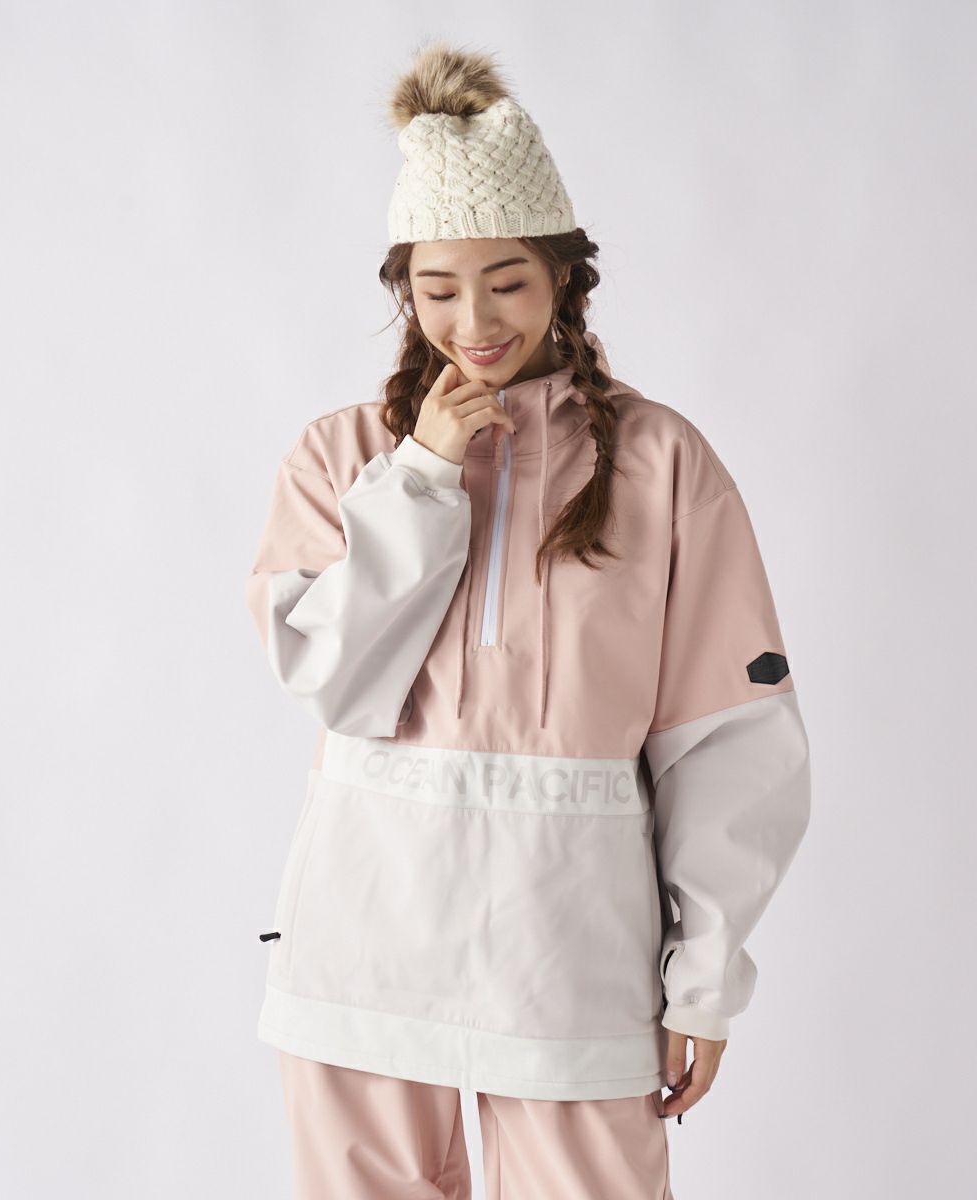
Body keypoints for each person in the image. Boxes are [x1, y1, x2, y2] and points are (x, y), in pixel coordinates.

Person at [244, 39, 812, 1200]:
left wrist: (702, 980)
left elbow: (730, 740)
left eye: (506, 280)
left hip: (570, 961)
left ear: (563, 276)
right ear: (405, 290)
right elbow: (335, 683)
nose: (474, 319)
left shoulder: (658, 463)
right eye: (438, 288)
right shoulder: (341, 458)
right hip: (361, 949)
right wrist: (421, 477)